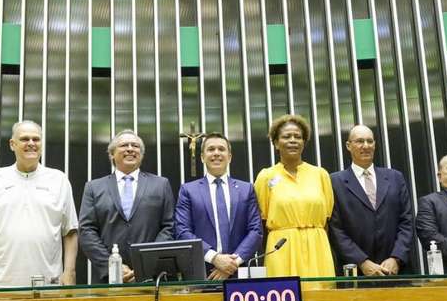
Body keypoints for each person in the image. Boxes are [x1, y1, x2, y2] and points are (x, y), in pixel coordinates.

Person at [0, 121, 78, 289]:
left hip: (48, 285)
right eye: (25, 139)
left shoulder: (59, 180)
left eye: (36, 139)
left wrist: (69, 272)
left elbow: (70, 232)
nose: (31, 144)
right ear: (13, 144)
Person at [79, 129, 174, 283]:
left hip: (152, 277)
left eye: (135, 146)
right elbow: (87, 231)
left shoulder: (161, 185)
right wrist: (111, 265)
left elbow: (169, 227)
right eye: (124, 145)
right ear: (111, 154)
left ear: (141, 155)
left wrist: (147, 263)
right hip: (108, 279)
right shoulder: (93, 187)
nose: (130, 148)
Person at [254, 115, 335, 277]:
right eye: (286, 136)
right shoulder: (266, 176)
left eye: (298, 137)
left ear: (304, 142)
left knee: (322, 297)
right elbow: (260, 222)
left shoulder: (320, 174)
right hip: (281, 249)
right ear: (276, 143)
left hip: (317, 247)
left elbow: (328, 220)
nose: (293, 140)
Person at [174, 132, 263, 280]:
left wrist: (231, 264)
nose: (216, 153)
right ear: (202, 157)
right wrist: (215, 258)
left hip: (240, 271)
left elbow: (256, 230)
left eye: (221, 149)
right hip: (203, 272)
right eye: (211, 149)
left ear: (229, 157)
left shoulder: (246, 189)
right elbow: (182, 231)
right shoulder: (188, 190)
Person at [329, 125, 413, 276]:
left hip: (395, 270)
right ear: (348, 146)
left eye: (370, 141)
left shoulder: (395, 177)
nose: (366, 146)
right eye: (360, 141)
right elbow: (335, 229)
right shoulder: (334, 182)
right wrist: (362, 261)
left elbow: (406, 221)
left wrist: (396, 258)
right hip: (355, 271)